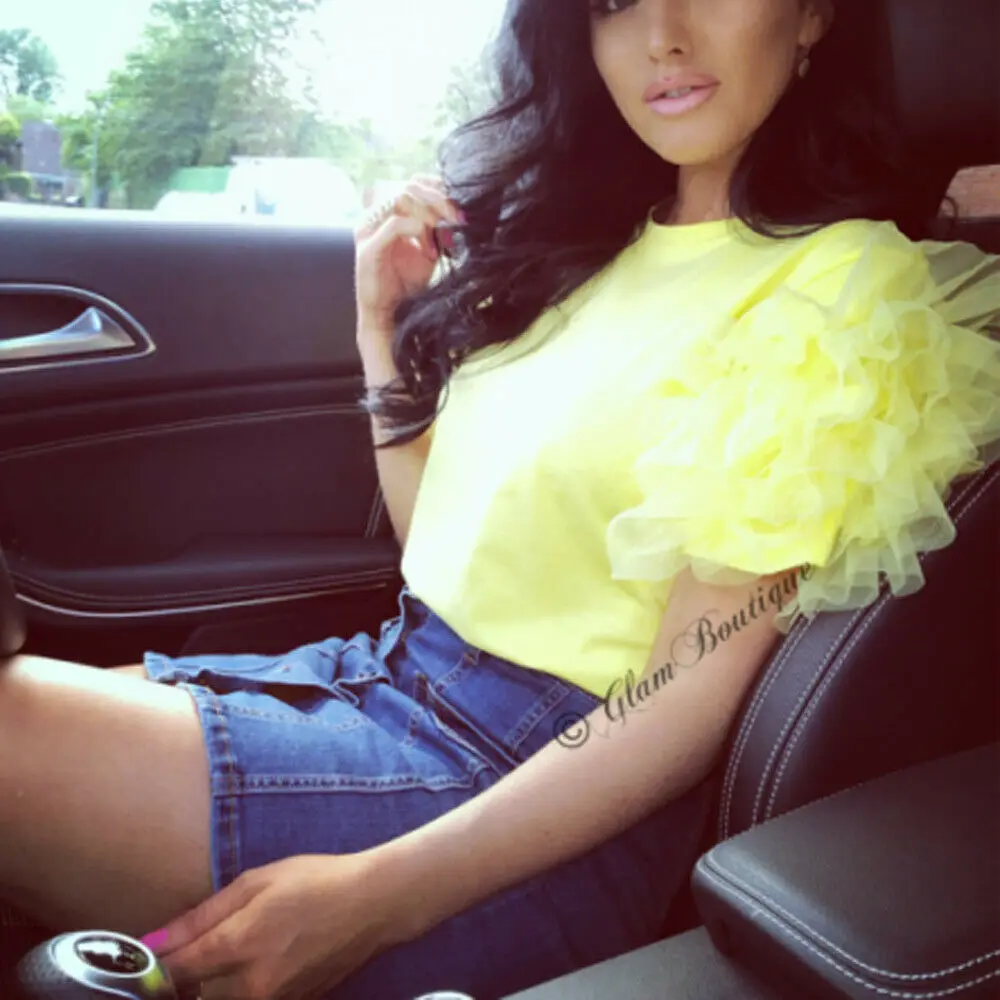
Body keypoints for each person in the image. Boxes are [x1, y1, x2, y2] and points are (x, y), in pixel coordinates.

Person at [2, 1, 999, 998]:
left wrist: (379, 896)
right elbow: (439, 557)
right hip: (385, 678)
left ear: (813, 14)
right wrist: (377, 325)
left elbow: (689, 686)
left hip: (529, 795)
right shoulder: (584, 252)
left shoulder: (838, 287)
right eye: (613, 1)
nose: (662, 33)